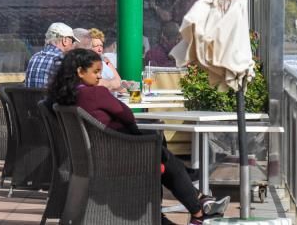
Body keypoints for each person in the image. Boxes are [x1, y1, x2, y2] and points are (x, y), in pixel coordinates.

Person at [48, 49, 230, 225]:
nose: (99, 77)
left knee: (159, 150)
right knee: (164, 158)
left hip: (92, 159)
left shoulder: (62, 98)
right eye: (96, 72)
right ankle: (199, 210)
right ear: (80, 71)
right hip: (117, 159)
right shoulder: (95, 93)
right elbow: (126, 114)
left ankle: (196, 204)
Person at [25, 22, 78, 88]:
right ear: (65, 41)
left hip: (30, 98)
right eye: (72, 41)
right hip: (51, 98)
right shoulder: (62, 60)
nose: (72, 45)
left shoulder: (34, 57)